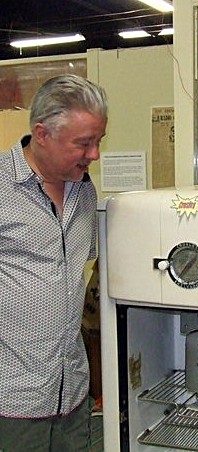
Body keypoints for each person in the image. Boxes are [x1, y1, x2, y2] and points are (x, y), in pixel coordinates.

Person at [0, 74, 108, 451]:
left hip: (71, 393)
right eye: (84, 143)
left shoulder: (83, 190)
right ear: (42, 134)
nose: (94, 154)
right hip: (10, 401)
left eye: (98, 141)